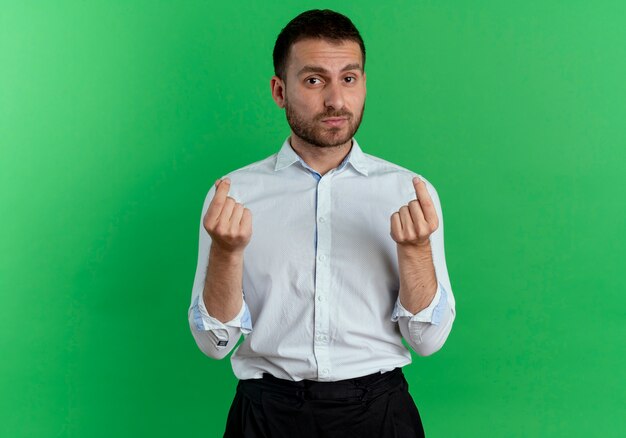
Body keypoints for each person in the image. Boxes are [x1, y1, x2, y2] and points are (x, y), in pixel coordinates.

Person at [188, 9, 456, 438]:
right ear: (279, 90)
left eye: (349, 78)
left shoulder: (409, 192)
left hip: (380, 414)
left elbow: (427, 341)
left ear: (364, 83)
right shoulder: (232, 195)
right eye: (314, 80)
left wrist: (415, 251)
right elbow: (214, 345)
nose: (335, 100)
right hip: (266, 416)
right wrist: (227, 252)